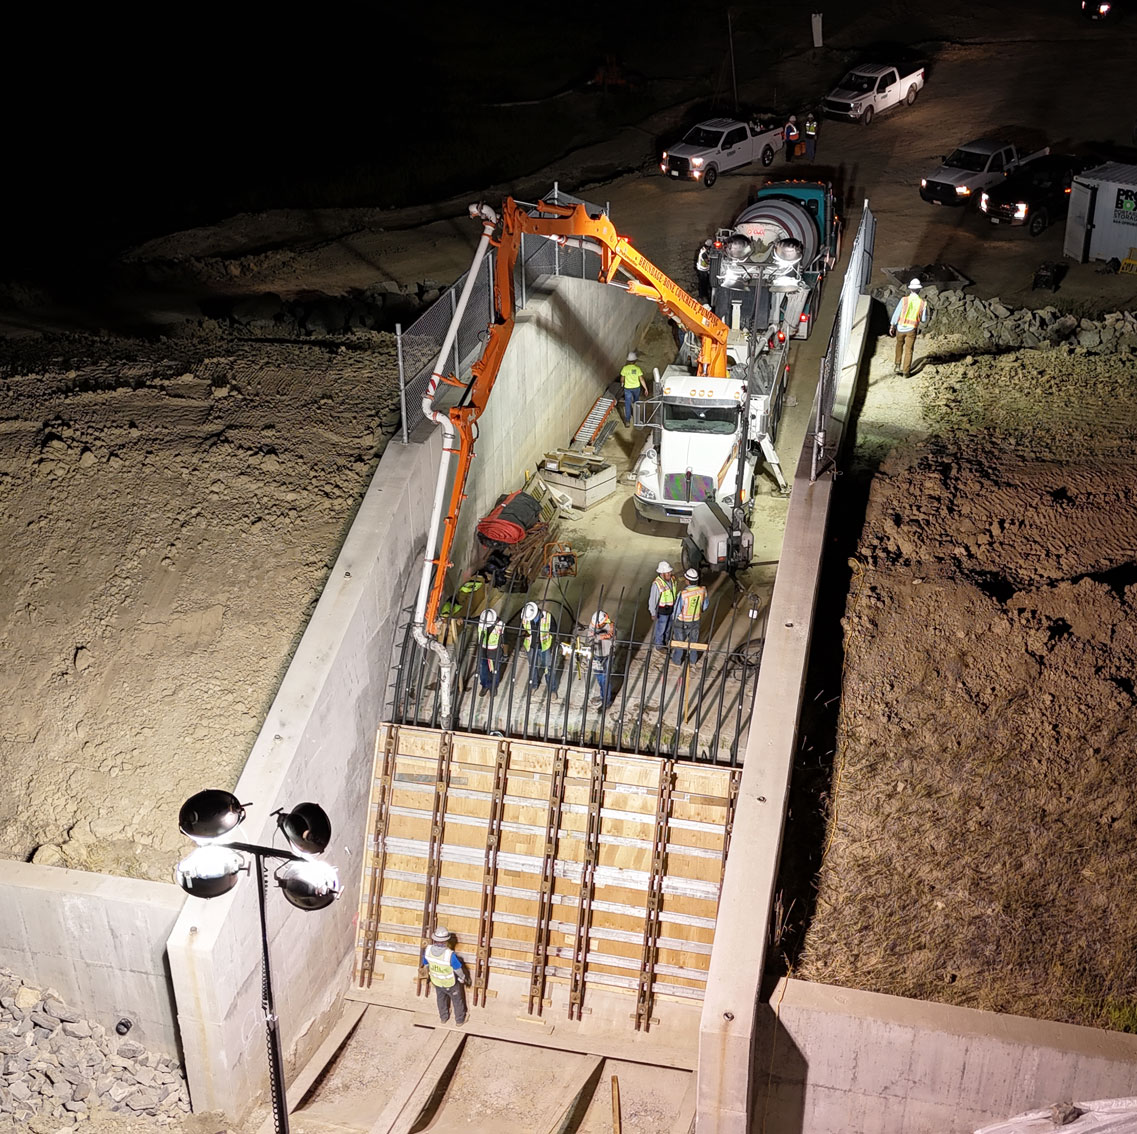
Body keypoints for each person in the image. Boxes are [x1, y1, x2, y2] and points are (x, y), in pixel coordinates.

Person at [420, 926, 468, 1025]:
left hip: (437, 981)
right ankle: (459, 1020)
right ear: (446, 940)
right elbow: (457, 969)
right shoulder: (450, 955)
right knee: (457, 1000)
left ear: (434, 939)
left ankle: (443, 1018)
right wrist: (462, 978)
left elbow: (426, 964)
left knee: (440, 999)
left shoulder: (427, 950)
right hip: (450, 983)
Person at [889, 278, 929, 377]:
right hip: (911, 330)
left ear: (910, 289)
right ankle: (906, 372)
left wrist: (892, 325)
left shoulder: (904, 300)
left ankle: (897, 365)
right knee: (909, 350)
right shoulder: (922, 303)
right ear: (919, 290)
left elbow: (897, 313)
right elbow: (923, 319)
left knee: (899, 345)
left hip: (900, 328)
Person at [671, 568, 709, 665]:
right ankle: (693, 660)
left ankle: (677, 661)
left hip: (682, 621)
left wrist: (673, 620)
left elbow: (677, 610)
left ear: (687, 581)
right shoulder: (702, 591)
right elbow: (705, 606)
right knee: (693, 643)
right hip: (695, 620)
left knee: (680, 643)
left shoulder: (683, 594)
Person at [522, 600, 556, 697]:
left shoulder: (548, 617)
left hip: (544, 646)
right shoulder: (525, 616)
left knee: (549, 668)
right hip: (531, 646)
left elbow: (554, 630)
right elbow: (523, 629)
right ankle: (533, 686)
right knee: (532, 667)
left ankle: (552, 689)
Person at [583, 610, 616, 708]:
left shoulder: (611, 625)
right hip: (596, 655)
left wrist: (596, 636)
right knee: (600, 678)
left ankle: (606, 702)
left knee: (605, 679)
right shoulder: (593, 624)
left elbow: (610, 635)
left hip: (607, 655)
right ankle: (603, 696)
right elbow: (589, 638)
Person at [647, 561, 678, 650]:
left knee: (668, 628)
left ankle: (666, 641)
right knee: (661, 629)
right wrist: (652, 612)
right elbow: (653, 600)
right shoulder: (657, 584)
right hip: (662, 611)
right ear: (662, 573)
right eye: (667, 572)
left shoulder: (672, 580)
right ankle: (659, 646)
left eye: (669, 572)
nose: (670, 573)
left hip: (671, 609)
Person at [476, 609, 502, 697]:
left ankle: (493, 687)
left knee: (494, 671)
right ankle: (485, 685)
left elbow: (504, 640)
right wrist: (463, 619)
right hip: (483, 651)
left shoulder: (500, 625)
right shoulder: (482, 620)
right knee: (483, 669)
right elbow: (473, 620)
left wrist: (505, 654)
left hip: (494, 653)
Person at [620, 351, 648, 426]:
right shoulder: (637, 369)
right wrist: (645, 388)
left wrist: (622, 384)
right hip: (636, 388)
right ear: (635, 361)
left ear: (628, 361)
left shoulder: (625, 368)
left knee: (627, 404)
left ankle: (627, 421)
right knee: (636, 402)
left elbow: (622, 378)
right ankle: (637, 419)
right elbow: (641, 379)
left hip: (627, 388)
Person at [695, 239, 713, 303]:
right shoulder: (704, 253)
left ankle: (704, 294)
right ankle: (702, 295)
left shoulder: (703, 249)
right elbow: (707, 262)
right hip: (702, 270)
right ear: (709, 246)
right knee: (703, 283)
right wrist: (712, 261)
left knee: (705, 282)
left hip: (703, 269)